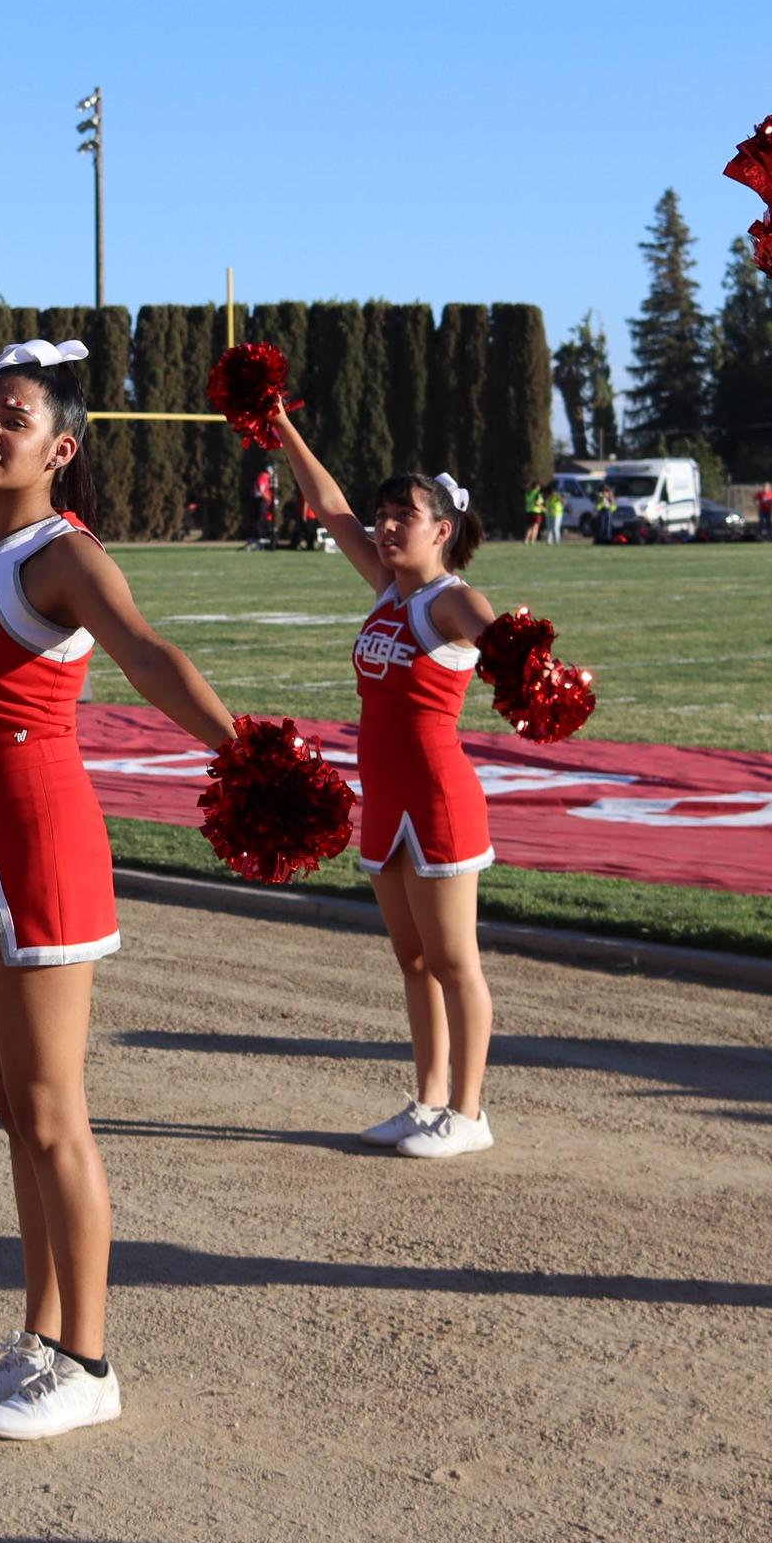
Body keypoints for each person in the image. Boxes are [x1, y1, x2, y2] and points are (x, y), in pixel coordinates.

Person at [0, 303, 240, 1440]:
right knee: (11, 1115)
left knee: (52, 1114)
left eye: (12, 422)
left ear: (59, 448)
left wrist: (246, 751)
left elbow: (147, 652)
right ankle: (37, 1340)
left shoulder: (60, 555)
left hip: (40, 844)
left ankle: (88, 1360)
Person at [270, 405, 500, 1159]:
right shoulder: (385, 588)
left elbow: (506, 645)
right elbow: (328, 505)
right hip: (389, 799)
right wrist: (282, 425)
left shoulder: (451, 600)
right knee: (413, 960)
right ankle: (429, 1099)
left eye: (405, 515)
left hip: (438, 797)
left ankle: (469, 1113)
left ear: (442, 530)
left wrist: (528, 671)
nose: (386, 526)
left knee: (455, 959)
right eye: (383, 516)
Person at [253, 463, 276, 543]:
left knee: (264, 518)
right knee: (261, 518)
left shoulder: (266, 478)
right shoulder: (263, 476)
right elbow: (261, 490)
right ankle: (260, 536)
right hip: (261, 500)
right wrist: (269, 499)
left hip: (262, 500)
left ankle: (263, 535)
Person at [523, 481, 545, 546]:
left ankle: (526, 540)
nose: (540, 488)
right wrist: (544, 509)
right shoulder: (537, 494)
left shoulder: (528, 493)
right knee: (536, 527)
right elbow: (537, 503)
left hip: (528, 511)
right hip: (536, 512)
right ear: (537, 487)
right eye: (539, 486)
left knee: (529, 527)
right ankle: (532, 541)